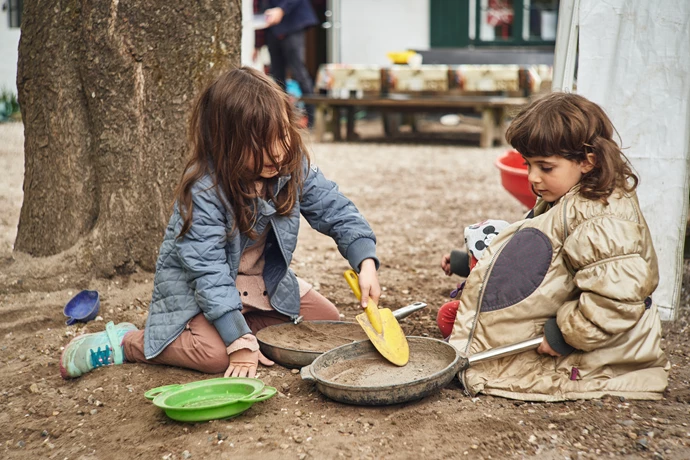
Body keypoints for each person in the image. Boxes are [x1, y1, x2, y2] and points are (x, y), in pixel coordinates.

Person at [60, 67, 380, 380]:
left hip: (259, 285)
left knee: (325, 320)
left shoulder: (291, 166)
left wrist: (365, 261)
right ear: (227, 143)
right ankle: (128, 343)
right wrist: (237, 341)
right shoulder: (203, 189)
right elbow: (207, 271)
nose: (278, 152)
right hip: (199, 292)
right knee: (215, 357)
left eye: (282, 135)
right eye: (260, 144)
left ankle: (241, 330)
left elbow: (335, 209)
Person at [445, 92, 669, 401]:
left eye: (545, 167)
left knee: (490, 360)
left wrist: (565, 335)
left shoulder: (600, 216)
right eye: (528, 165)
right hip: (583, 331)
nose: (533, 178)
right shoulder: (570, 198)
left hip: (602, 356)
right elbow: (543, 259)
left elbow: (616, 297)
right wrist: (471, 261)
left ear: (587, 161)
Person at [254, 0, 318, 126]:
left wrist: (282, 9)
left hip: (292, 25)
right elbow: (258, 11)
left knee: (299, 72)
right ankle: (281, 120)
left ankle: (312, 120)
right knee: (277, 75)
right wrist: (257, 44)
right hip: (271, 30)